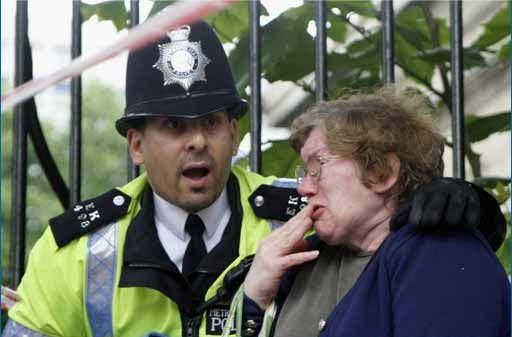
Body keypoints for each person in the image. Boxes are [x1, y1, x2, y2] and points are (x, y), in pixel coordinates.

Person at [2, 21, 506, 337]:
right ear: (136, 144)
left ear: (235, 133)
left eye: (212, 122)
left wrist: (465, 207)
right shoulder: (73, 249)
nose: (197, 142)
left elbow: (405, 254)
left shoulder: (309, 213)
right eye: (174, 127)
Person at [239, 88, 510, 337]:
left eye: (317, 167)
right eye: (304, 174)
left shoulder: (440, 251)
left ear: (382, 171)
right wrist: (253, 301)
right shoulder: (301, 264)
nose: (304, 189)